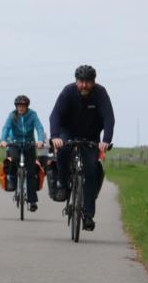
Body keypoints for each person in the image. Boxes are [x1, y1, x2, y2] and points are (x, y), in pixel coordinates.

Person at [49, 65, 114, 232]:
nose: (84, 85)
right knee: (62, 151)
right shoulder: (68, 92)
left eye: (87, 82)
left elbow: (109, 118)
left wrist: (106, 140)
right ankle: (63, 185)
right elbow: (55, 115)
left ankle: (88, 216)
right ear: (76, 81)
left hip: (91, 136)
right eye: (81, 81)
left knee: (91, 170)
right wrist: (55, 136)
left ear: (93, 82)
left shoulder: (100, 93)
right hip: (67, 132)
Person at [0, 95, 45, 212]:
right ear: (16, 106)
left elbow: (39, 127)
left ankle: (32, 201)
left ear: (27, 107)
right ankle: (12, 179)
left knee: (31, 172)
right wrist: (3, 140)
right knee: (13, 159)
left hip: (29, 145)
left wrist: (40, 140)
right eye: (19, 106)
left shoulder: (32, 114)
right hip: (15, 144)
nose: (21, 108)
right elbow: (6, 127)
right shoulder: (12, 115)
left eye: (23, 106)